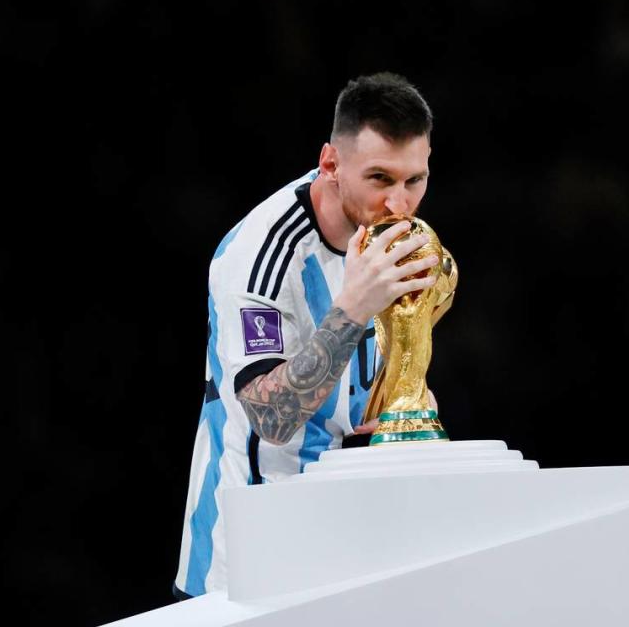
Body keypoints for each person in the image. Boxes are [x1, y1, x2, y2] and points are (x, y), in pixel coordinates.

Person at [173, 73, 439, 599]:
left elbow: (367, 398)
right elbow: (272, 420)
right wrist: (354, 307)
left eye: (415, 180)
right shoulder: (260, 257)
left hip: (342, 540)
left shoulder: (392, 237)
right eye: (381, 178)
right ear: (331, 164)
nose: (400, 204)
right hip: (245, 559)